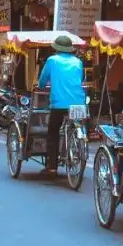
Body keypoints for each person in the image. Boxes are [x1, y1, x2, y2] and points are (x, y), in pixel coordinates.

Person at [36, 36, 85, 176]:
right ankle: (79, 142)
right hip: (78, 103)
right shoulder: (78, 62)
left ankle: (52, 167)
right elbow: (81, 79)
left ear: (56, 48)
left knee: (53, 132)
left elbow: (42, 80)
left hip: (59, 104)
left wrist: (41, 86)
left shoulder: (52, 60)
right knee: (78, 125)